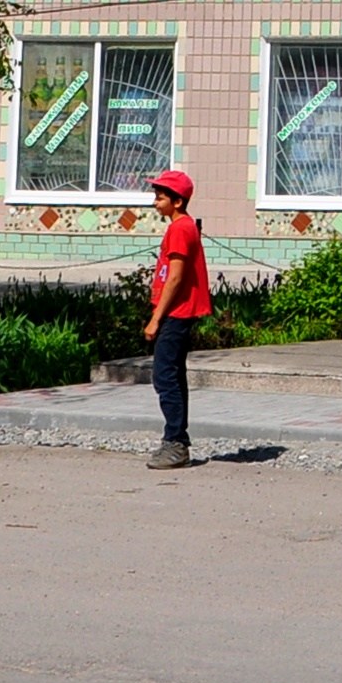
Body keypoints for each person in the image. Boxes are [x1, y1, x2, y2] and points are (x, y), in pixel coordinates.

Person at [143, 168, 213, 470]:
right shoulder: (179, 227)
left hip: (175, 314)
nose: (155, 202)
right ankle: (176, 440)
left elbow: (176, 278)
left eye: (160, 198)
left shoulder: (181, 229)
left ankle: (175, 442)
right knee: (172, 375)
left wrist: (155, 319)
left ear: (178, 201)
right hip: (174, 313)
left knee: (165, 377)